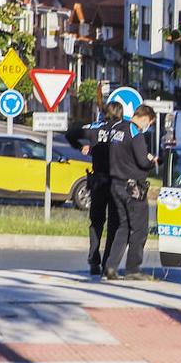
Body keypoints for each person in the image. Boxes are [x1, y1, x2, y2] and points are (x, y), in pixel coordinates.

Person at [66, 101, 124, 275]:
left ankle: (93, 259)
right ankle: (108, 262)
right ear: (120, 113)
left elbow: (71, 134)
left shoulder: (95, 129)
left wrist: (82, 147)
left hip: (97, 180)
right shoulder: (123, 130)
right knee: (114, 223)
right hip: (116, 181)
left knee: (96, 222)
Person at [103, 105, 157, 281]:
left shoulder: (117, 129)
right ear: (144, 118)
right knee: (140, 229)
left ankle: (111, 267)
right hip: (132, 188)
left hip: (115, 184)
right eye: (149, 122)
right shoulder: (136, 133)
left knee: (123, 227)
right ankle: (133, 269)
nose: (148, 126)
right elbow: (142, 161)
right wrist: (151, 161)